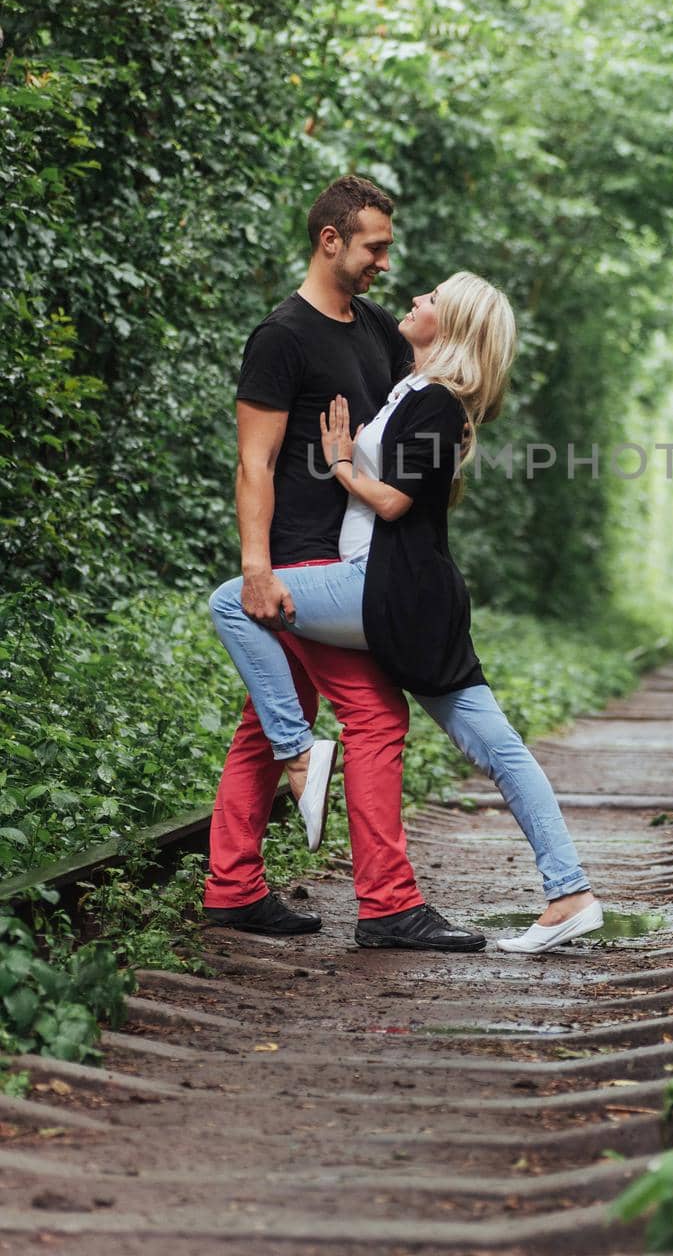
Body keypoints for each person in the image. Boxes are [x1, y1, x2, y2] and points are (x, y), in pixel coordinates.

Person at [209, 272, 604, 954]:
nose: (416, 299)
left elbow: (392, 503)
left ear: (449, 327)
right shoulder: (411, 390)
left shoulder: (442, 405)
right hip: (397, 591)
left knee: (235, 600)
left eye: (431, 299)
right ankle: (569, 892)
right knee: (499, 749)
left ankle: (300, 756)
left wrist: (339, 464)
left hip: (391, 590)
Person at [203, 175, 484, 952]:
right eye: (374, 247)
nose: (383, 264)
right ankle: (389, 904)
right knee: (374, 715)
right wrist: (257, 566)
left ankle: (231, 885)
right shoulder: (282, 337)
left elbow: (408, 429)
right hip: (303, 557)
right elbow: (253, 464)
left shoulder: (378, 333)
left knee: (267, 720)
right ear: (331, 240)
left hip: (361, 553)